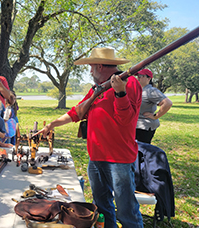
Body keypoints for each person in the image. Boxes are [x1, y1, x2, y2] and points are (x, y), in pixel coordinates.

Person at [35, 47, 144, 227]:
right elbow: (76, 112)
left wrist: (120, 92)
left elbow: (126, 120)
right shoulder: (97, 89)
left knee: (127, 212)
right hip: (96, 158)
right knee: (102, 207)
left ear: (100, 66)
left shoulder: (129, 83)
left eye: (91, 66)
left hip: (119, 159)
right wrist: (52, 124)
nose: (90, 70)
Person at [135, 69, 173, 144]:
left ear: (149, 78)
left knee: (142, 151)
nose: (138, 78)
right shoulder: (140, 90)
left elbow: (167, 103)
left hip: (144, 127)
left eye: (141, 76)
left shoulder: (151, 91)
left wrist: (156, 116)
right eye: (137, 76)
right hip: (137, 125)